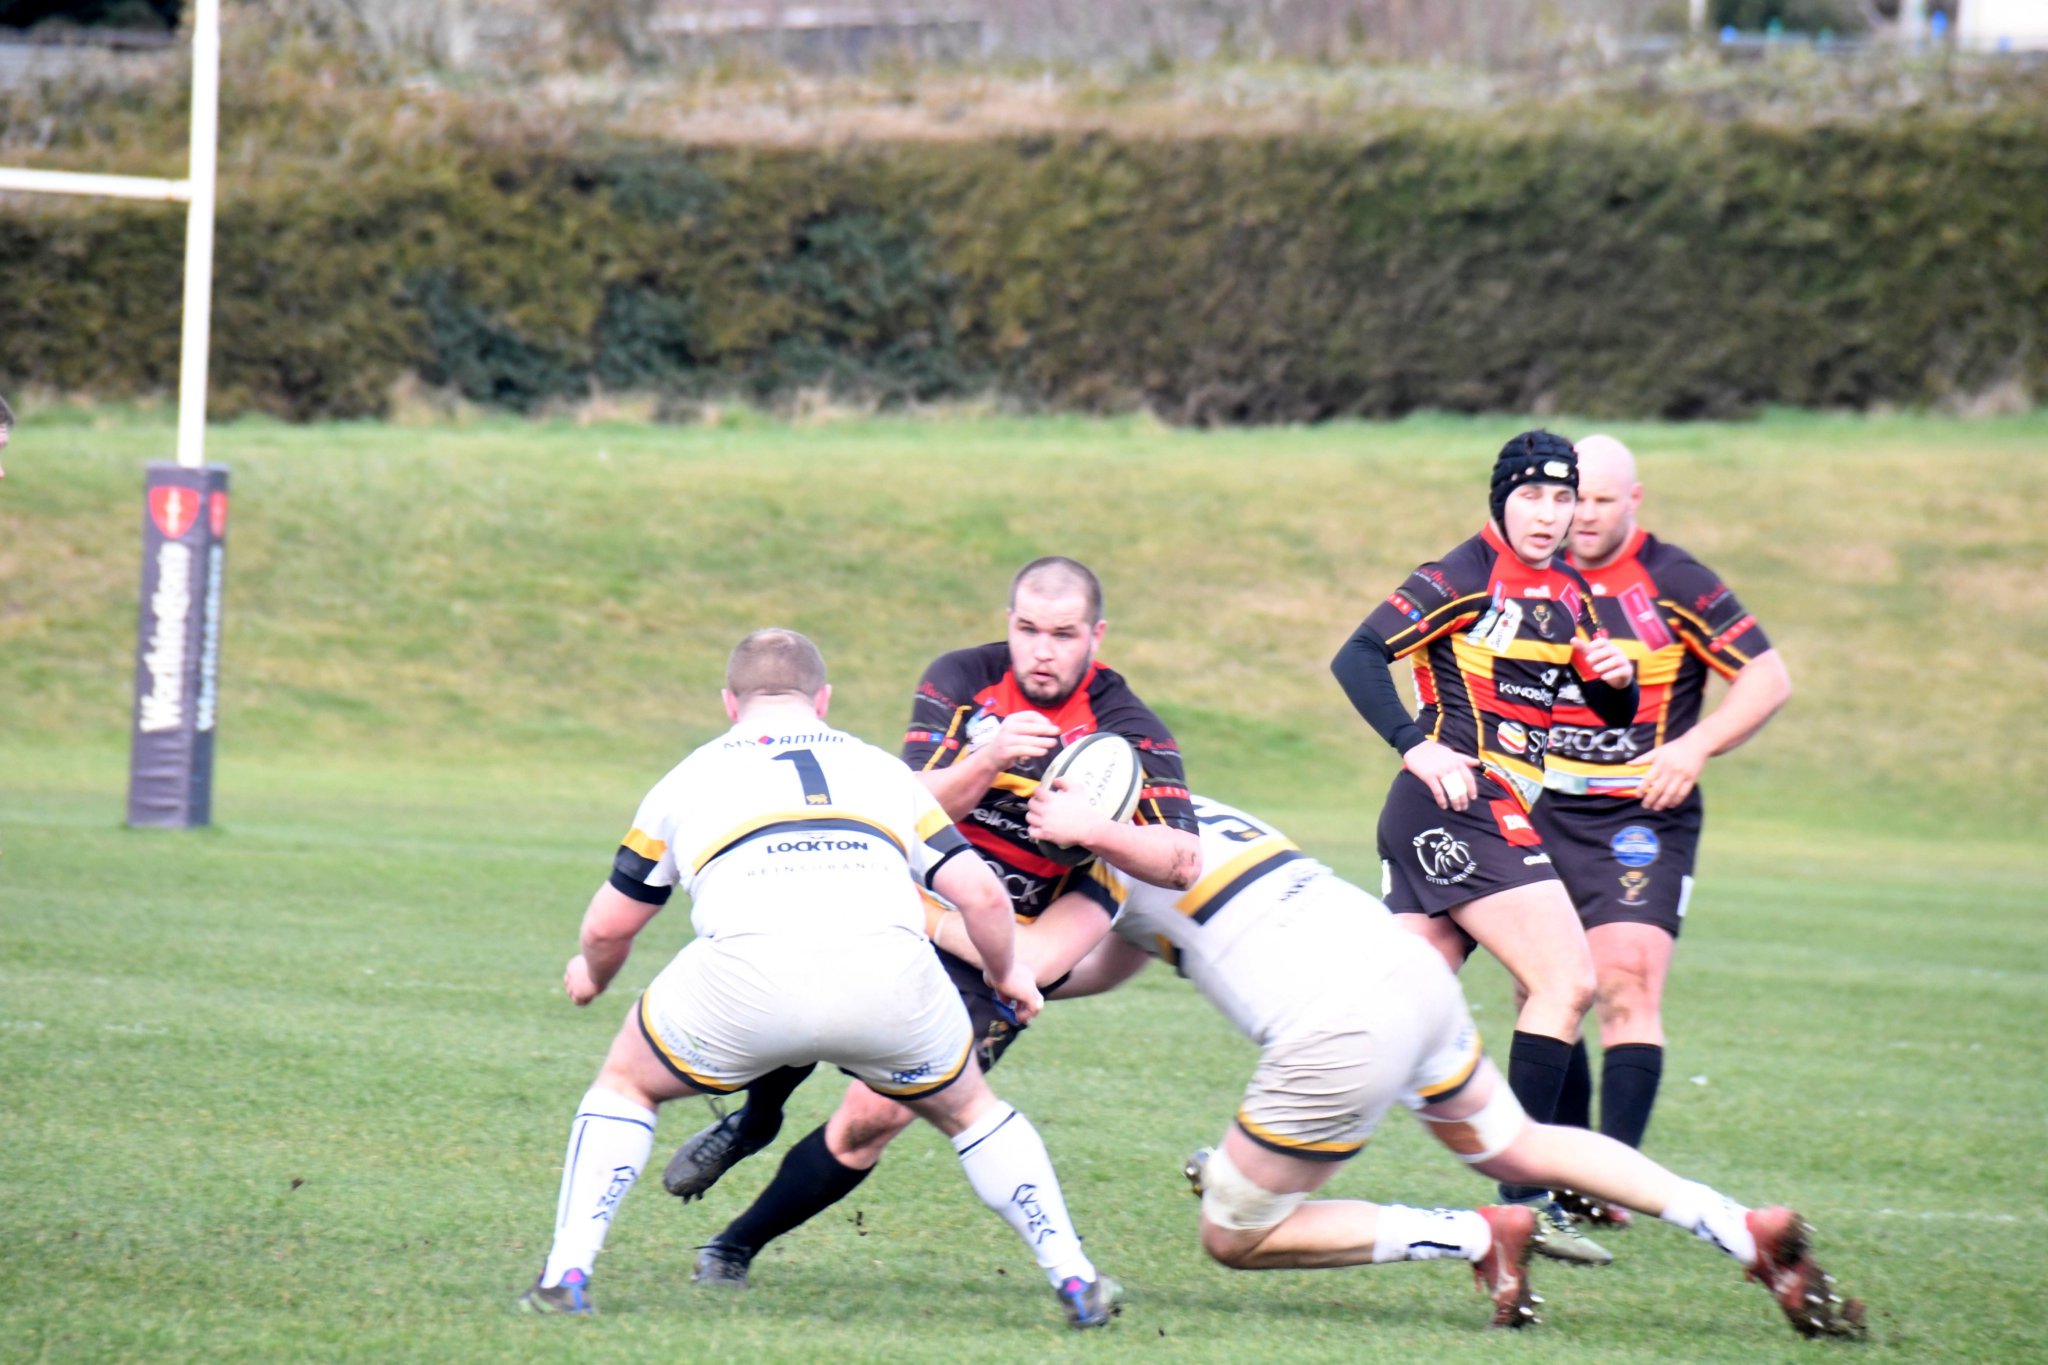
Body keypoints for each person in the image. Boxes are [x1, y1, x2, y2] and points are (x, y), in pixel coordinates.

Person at [943, 794, 1863, 1339]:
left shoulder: (1097, 850)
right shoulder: (1193, 809)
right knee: (1518, 1140)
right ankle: (1736, 1224)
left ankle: (1472, 1235)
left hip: (1336, 1025)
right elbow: (1117, 953)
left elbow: (1048, 955)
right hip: (1407, 972)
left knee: (1236, 1233)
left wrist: (963, 942)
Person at [514, 628, 1123, 1329]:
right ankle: (1075, 1278)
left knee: (626, 1081)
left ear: (730, 704)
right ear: (823, 700)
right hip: (892, 982)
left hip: (745, 982)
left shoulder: (686, 778)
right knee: (970, 1110)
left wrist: (590, 975)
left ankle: (567, 1274)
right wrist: (1010, 973)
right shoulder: (882, 772)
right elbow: (982, 894)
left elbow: (610, 927)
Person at [662, 557, 1201, 1297]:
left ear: (1096, 636)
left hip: (999, 952)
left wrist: (1092, 828)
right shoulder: (961, 679)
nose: (1042, 650)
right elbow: (895, 801)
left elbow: (1181, 861)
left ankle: (731, 1245)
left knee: (870, 1118)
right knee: (796, 1006)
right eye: (1028, 629)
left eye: (1064, 634)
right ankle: (756, 1119)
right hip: (910, 891)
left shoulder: (1129, 731)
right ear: (1009, 622)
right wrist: (985, 761)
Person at [1330, 430, 1637, 1265]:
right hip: (1456, 802)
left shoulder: (1569, 592)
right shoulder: (1458, 575)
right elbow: (1356, 656)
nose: (1548, 512)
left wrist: (1614, 685)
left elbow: (1589, 708)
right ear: (1500, 498)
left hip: (1484, 811)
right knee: (1565, 978)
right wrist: (1413, 743)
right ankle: (1525, 1201)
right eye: (1531, 495)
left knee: (1386, 1020)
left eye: (1562, 496)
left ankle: (1252, 1167)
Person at [1533, 434, 1792, 1222]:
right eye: (1575, 499)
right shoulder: (1528, 576)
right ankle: (1570, 1175)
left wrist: (1693, 744)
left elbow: (1767, 677)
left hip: (1640, 817)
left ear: (1633, 500)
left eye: (1603, 500)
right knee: (1547, 988)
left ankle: (1617, 1178)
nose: (1585, 516)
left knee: (1626, 983)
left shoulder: (1673, 579)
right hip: (1542, 806)